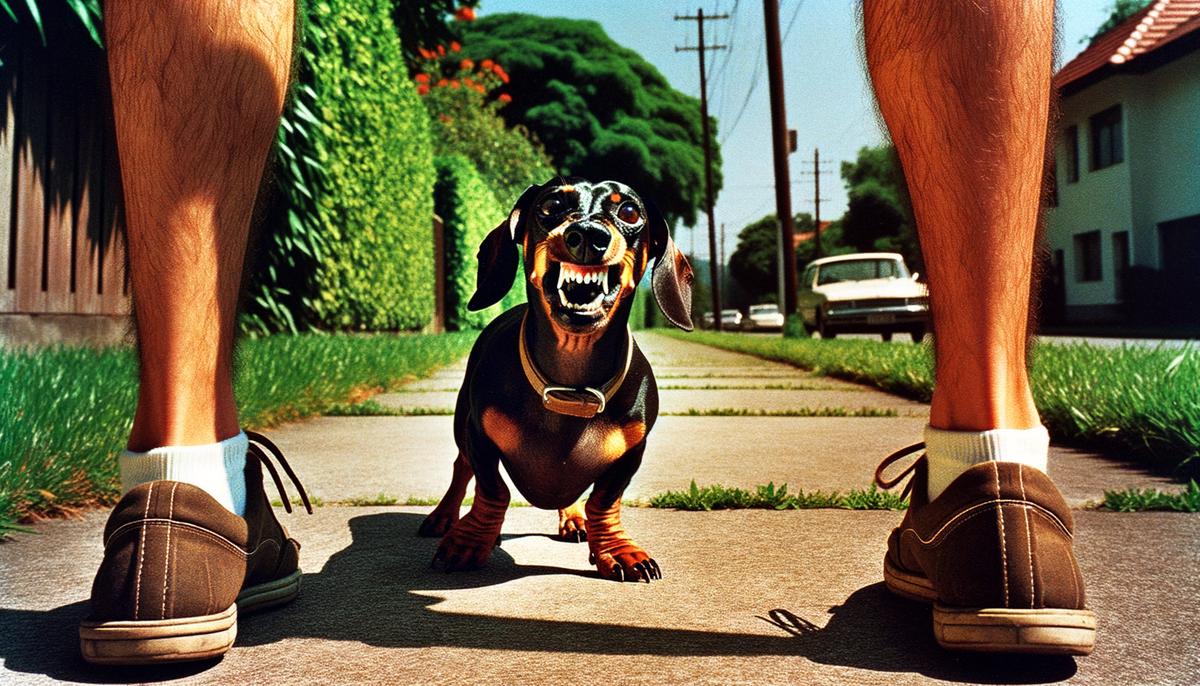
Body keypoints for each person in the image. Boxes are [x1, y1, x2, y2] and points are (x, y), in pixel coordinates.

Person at [78, 0, 1092, 666]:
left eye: (614, 223)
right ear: (522, 247)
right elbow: (480, 424)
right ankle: (987, 473)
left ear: (646, 263)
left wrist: (595, 516)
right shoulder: (501, 362)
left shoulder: (631, 403)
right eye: (561, 214)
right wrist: (480, 492)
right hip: (500, 448)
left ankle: (184, 483)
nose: (587, 232)